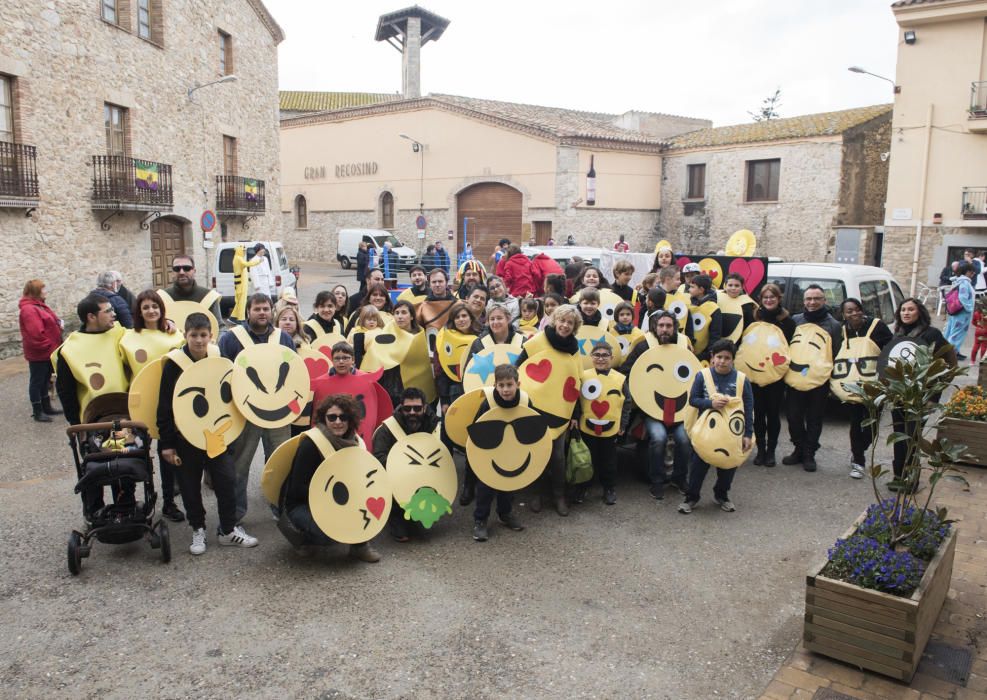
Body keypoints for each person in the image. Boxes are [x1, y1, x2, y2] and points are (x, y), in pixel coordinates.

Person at [158, 312, 258, 555]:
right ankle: (197, 529)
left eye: (203, 335)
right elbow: (165, 405)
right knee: (190, 485)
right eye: (194, 335)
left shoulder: (217, 356)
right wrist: (167, 443)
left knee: (226, 480)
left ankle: (227, 529)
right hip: (185, 437)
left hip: (217, 436)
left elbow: (227, 393)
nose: (199, 341)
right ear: (185, 335)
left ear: (211, 336)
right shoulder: (174, 363)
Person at [219, 293, 294, 524]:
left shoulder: (283, 338)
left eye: (266, 308)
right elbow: (223, 375)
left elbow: (293, 373)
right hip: (245, 412)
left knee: (280, 464)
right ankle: (235, 514)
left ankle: (280, 508)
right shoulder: (231, 339)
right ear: (248, 311)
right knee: (239, 465)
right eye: (257, 309)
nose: (262, 313)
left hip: (279, 412)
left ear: (272, 311)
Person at [283, 393, 381, 562]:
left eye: (343, 417)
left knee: (362, 500)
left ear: (350, 420)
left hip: (339, 498)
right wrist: (332, 500)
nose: (337, 422)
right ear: (324, 419)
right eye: (332, 417)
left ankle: (360, 546)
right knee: (326, 534)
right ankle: (304, 540)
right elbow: (297, 489)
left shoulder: (354, 443)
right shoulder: (311, 444)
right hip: (303, 503)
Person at [120, 289, 185, 521]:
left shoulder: (175, 336)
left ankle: (169, 502)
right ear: (139, 311)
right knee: (136, 453)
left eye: (155, 306)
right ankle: (133, 502)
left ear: (162, 309)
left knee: (168, 453)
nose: (151, 311)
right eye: (145, 307)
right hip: (139, 406)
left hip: (170, 404)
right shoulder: (127, 338)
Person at [513, 304, 582, 516]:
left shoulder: (574, 348)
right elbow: (518, 367)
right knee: (537, 452)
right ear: (554, 321)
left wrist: (575, 414)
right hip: (534, 407)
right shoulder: (539, 340)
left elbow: (576, 380)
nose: (565, 325)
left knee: (558, 456)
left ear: (575, 326)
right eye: (562, 321)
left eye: (570, 323)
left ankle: (559, 495)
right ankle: (536, 494)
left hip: (560, 411)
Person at [620, 311, 692, 499]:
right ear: (655, 327)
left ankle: (679, 478)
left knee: (684, 440)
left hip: (680, 411)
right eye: (661, 325)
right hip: (651, 409)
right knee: (658, 438)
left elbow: (694, 374)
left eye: (668, 326)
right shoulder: (644, 346)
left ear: (674, 327)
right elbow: (627, 373)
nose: (665, 329)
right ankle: (657, 481)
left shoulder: (684, 345)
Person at [888, 298, 957, 492]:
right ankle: (897, 476)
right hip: (899, 396)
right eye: (903, 310)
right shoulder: (898, 334)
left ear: (920, 312)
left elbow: (949, 362)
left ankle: (911, 480)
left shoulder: (931, 334)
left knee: (912, 437)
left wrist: (934, 396)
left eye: (911, 309)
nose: (906, 313)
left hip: (921, 397)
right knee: (899, 436)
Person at [678, 339, 753, 514]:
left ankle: (722, 494)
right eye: (719, 357)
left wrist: (747, 433)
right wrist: (711, 403)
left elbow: (748, 408)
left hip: (731, 434)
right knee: (698, 467)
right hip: (706, 433)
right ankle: (691, 497)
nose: (722, 361)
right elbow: (693, 400)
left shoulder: (742, 380)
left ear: (733, 359)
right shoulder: (702, 376)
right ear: (712, 357)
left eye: (727, 358)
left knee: (728, 466)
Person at [782, 285, 841, 472]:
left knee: (814, 419)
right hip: (796, 378)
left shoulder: (834, 325)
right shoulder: (796, 320)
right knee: (793, 417)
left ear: (824, 300)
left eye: (816, 299)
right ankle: (798, 448)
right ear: (804, 301)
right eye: (808, 299)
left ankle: (809, 454)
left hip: (820, 381)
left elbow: (836, 353)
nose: (812, 302)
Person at [372, 387, 441, 542]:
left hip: (423, 476)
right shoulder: (387, 429)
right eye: (407, 408)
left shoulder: (433, 425)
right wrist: (405, 468)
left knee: (426, 522)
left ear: (424, 408)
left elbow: (443, 458)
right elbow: (378, 457)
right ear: (401, 408)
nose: (412, 412)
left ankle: (416, 512)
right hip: (395, 479)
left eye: (417, 408)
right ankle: (395, 515)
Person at [837, 298, 893, 479]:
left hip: (875, 385)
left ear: (861, 310)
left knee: (872, 425)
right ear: (844, 315)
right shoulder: (843, 330)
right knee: (855, 423)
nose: (853, 314)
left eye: (856, 310)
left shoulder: (877, 326)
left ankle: (860, 449)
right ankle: (858, 461)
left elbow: (891, 351)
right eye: (849, 311)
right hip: (852, 385)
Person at [470, 365, 527, 542]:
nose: (505, 389)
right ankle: (480, 520)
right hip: (490, 452)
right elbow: (476, 429)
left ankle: (505, 513)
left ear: (518, 384)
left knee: (508, 485)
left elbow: (532, 426)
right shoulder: (488, 403)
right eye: (501, 385)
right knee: (485, 487)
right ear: (495, 386)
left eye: (509, 385)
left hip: (512, 451)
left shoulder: (525, 402)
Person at [55, 294, 128, 426]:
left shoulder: (120, 333)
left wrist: (168, 323)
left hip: (126, 413)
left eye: (112, 309)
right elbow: (66, 391)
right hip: (94, 420)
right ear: (91, 317)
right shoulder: (69, 350)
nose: (114, 314)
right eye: (108, 311)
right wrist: (76, 424)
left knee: (126, 447)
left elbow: (145, 336)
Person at [572, 342, 626, 505]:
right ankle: (582, 487)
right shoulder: (584, 376)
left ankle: (608, 488)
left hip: (611, 427)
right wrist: (574, 417)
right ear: (591, 357)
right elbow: (575, 400)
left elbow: (627, 403)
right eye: (597, 355)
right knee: (586, 459)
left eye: (604, 355)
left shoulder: (620, 379)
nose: (601, 359)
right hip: (586, 426)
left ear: (612, 358)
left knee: (608, 460)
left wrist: (623, 424)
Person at [749, 284, 796, 467]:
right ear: (761, 299)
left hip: (776, 377)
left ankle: (771, 452)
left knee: (773, 414)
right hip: (755, 374)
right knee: (758, 413)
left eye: (772, 297)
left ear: (779, 298)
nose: (769, 300)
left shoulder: (787, 322)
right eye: (765, 297)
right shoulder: (753, 318)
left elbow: (790, 349)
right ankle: (760, 450)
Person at [18, 279, 63, 422]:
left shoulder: (39, 306)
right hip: (40, 353)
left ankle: (47, 407)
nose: (45, 291)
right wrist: (49, 347)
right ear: (36, 292)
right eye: (43, 289)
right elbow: (35, 334)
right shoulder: (29, 310)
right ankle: (38, 412)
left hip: (48, 352)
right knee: (37, 382)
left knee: (45, 381)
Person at [163, 255, 223, 323]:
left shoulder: (209, 296)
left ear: (194, 271)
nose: (181, 272)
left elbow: (220, 327)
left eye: (187, 268)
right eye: (177, 269)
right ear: (172, 272)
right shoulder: (162, 296)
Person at [945, 260, 976, 360]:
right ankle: (951, 353)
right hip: (962, 313)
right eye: (972, 272)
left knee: (951, 331)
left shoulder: (959, 281)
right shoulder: (964, 282)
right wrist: (969, 308)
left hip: (956, 311)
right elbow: (963, 297)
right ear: (967, 272)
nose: (973, 274)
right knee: (957, 333)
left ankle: (952, 351)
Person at [687, 273, 721, 360]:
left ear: (701, 290)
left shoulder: (714, 308)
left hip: (704, 356)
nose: (689, 290)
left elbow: (715, 335)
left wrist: (709, 355)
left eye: (692, 287)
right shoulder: (689, 303)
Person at [971, 297, 987, 365]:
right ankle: (982, 360)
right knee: (984, 347)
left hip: (978, 331)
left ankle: (972, 361)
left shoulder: (976, 313)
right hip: (985, 331)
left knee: (976, 346)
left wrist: (977, 326)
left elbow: (973, 322)